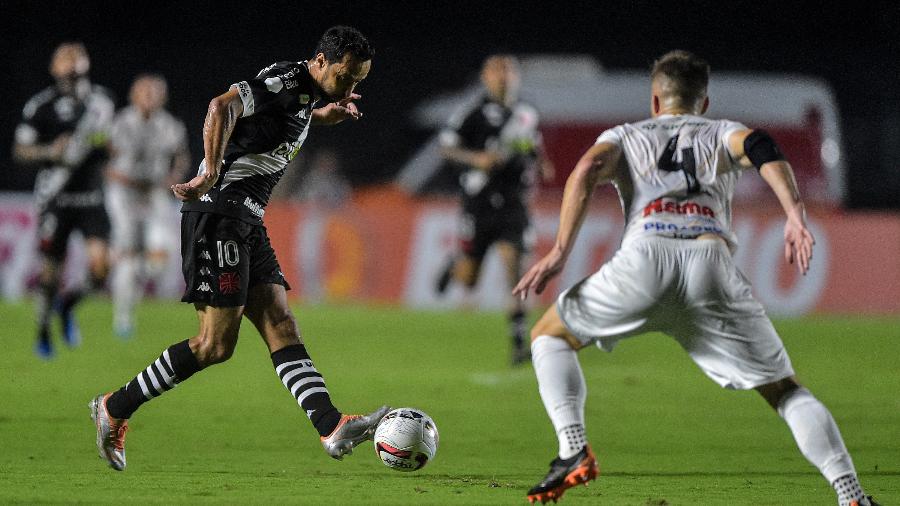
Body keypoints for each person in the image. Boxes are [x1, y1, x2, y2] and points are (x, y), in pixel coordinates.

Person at [513, 50, 877, 506]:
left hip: (644, 259)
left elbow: (586, 169)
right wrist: (794, 214)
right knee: (784, 390)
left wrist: (561, 250)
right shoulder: (721, 131)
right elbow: (762, 145)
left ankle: (572, 449)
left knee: (550, 336)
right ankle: (852, 496)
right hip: (709, 262)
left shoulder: (626, 135)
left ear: (654, 100)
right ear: (704, 102)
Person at [89, 26, 389, 471]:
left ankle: (330, 425)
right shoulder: (289, 81)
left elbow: (281, 121)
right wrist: (209, 171)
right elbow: (222, 105)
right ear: (322, 61)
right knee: (215, 344)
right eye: (346, 78)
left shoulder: (304, 94)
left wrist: (326, 115)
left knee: (281, 322)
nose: (350, 88)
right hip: (219, 216)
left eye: (358, 83)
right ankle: (114, 407)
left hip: (247, 219)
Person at [435, 54, 554, 365]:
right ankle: (455, 264)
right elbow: (446, 146)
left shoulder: (527, 113)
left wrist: (541, 163)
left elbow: (532, 144)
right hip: (479, 203)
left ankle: (518, 343)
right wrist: (477, 159)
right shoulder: (471, 113)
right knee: (469, 280)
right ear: (485, 77)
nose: (504, 76)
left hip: (515, 201)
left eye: (509, 71)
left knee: (516, 268)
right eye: (497, 71)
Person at [13, 42, 116, 359]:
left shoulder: (102, 100)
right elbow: (21, 150)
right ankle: (43, 331)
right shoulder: (41, 106)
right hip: (56, 197)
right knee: (50, 273)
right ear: (54, 67)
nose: (71, 63)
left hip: (91, 196)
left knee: (100, 270)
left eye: (77, 57)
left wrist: (108, 148)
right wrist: (49, 151)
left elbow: (108, 141)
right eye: (64, 58)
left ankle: (67, 306)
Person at [106, 74, 190, 338]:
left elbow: (181, 156)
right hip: (124, 194)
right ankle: (123, 317)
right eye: (145, 92)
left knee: (162, 255)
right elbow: (103, 158)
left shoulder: (170, 126)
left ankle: (134, 272)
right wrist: (119, 176)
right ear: (134, 94)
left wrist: (174, 177)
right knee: (128, 252)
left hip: (154, 192)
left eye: (155, 93)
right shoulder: (120, 122)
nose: (150, 97)